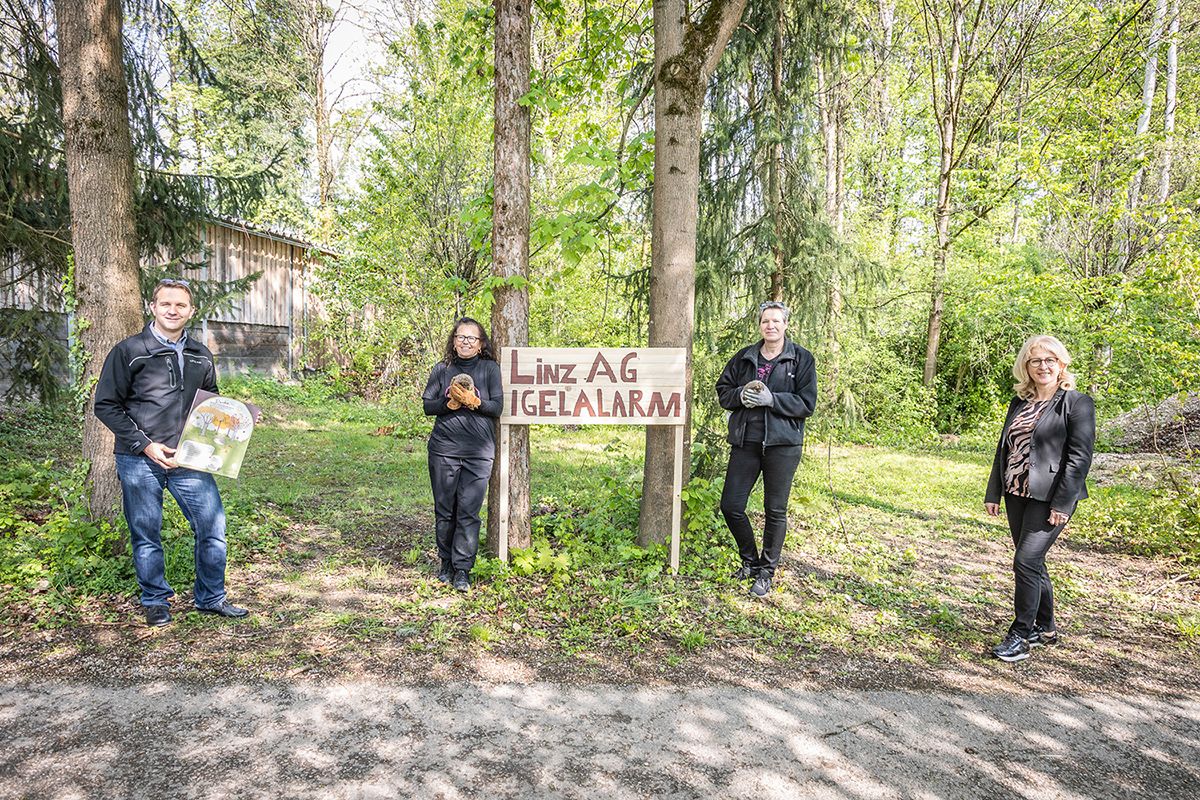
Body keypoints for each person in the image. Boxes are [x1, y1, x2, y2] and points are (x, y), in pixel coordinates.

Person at [93, 278, 249, 627]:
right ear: (153, 306)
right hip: (139, 459)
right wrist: (145, 445)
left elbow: (210, 405)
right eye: (166, 304)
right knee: (146, 531)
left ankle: (210, 598)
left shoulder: (200, 355)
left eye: (181, 305)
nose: (173, 310)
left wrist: (241, 418)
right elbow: (105, 405)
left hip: (188, 459)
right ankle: (155, 600)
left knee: (213, 527)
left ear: (191, 311)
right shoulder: (129, 351)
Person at [985, 334, 1095, 662]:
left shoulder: (1077, 403)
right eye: (1036, 360)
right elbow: (1004, 448)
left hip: (1052, 497)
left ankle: (1021, 634)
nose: (1043, 366)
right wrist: (994, 491)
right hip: (1016, 492)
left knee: (1025, 561)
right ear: (1027, 366)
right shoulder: (1019, 402)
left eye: (1050, 360)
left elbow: (1079, 457)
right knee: (1032, 562)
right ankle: (1045, 627)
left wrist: (1063, 502)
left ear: (1061, 364)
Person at [715, 300, 818, 598]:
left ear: (785, 324)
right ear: (759, 325)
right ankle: (750, 561)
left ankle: (766, 572)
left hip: (783, 445)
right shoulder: (745, 357)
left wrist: (773, 400)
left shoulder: (801, 359)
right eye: (765, 321)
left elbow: (807, 403)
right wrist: (740, 394)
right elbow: (724, 392)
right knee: (731, 506)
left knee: (775, 510)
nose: (770, 326)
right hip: (746, 441)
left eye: (776, 321)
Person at [421, 317, 503, 592]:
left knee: (469, 512)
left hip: (478, 453)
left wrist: (475, 402)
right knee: (445, 511)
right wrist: (450, 402)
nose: (466, 342)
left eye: (472, 338)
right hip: (444, 450)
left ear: (481, 345)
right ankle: (446, 563)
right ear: (453, 341)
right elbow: (428, 407)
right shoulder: (441, 369)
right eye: (461, 337)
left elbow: (497, 407)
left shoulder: (490, 369)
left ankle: (463, 571)